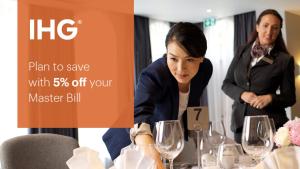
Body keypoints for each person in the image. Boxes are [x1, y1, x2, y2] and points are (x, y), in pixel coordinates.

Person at [103, 22, 213, 168]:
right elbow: (139, 116)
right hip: (133, 142)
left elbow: (193, 102)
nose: (180, 69)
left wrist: (201, 141)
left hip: (167, 140)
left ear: (201, 58)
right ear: (167, 53)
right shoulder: (154, 74)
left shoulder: (205, 69)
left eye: (190, 60)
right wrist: (153, 158)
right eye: (173, 58)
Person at [222, 9, 296, 143]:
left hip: (268, 126)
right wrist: (242, 94)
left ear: (279, 31)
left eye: (275, 28)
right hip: (240, 125)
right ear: (257, 27)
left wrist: (270, 98)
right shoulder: (241, 51)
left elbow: (290, 98)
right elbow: (227, 83)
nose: (269, 32)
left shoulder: (284, 60)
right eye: (265, 26)